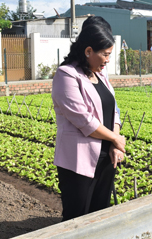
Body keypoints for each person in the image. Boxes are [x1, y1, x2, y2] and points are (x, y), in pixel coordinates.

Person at [51, 19, 126, 221]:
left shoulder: (99, 75)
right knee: (77, 216)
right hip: (79, 161)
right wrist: (116, 139)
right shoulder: (66, 75)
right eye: (105, 54)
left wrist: (114, 142)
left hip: (106, 157)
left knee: (99, 213)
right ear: (88, 51)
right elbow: (83, 119)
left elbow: (114, 111)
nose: (108, 60)